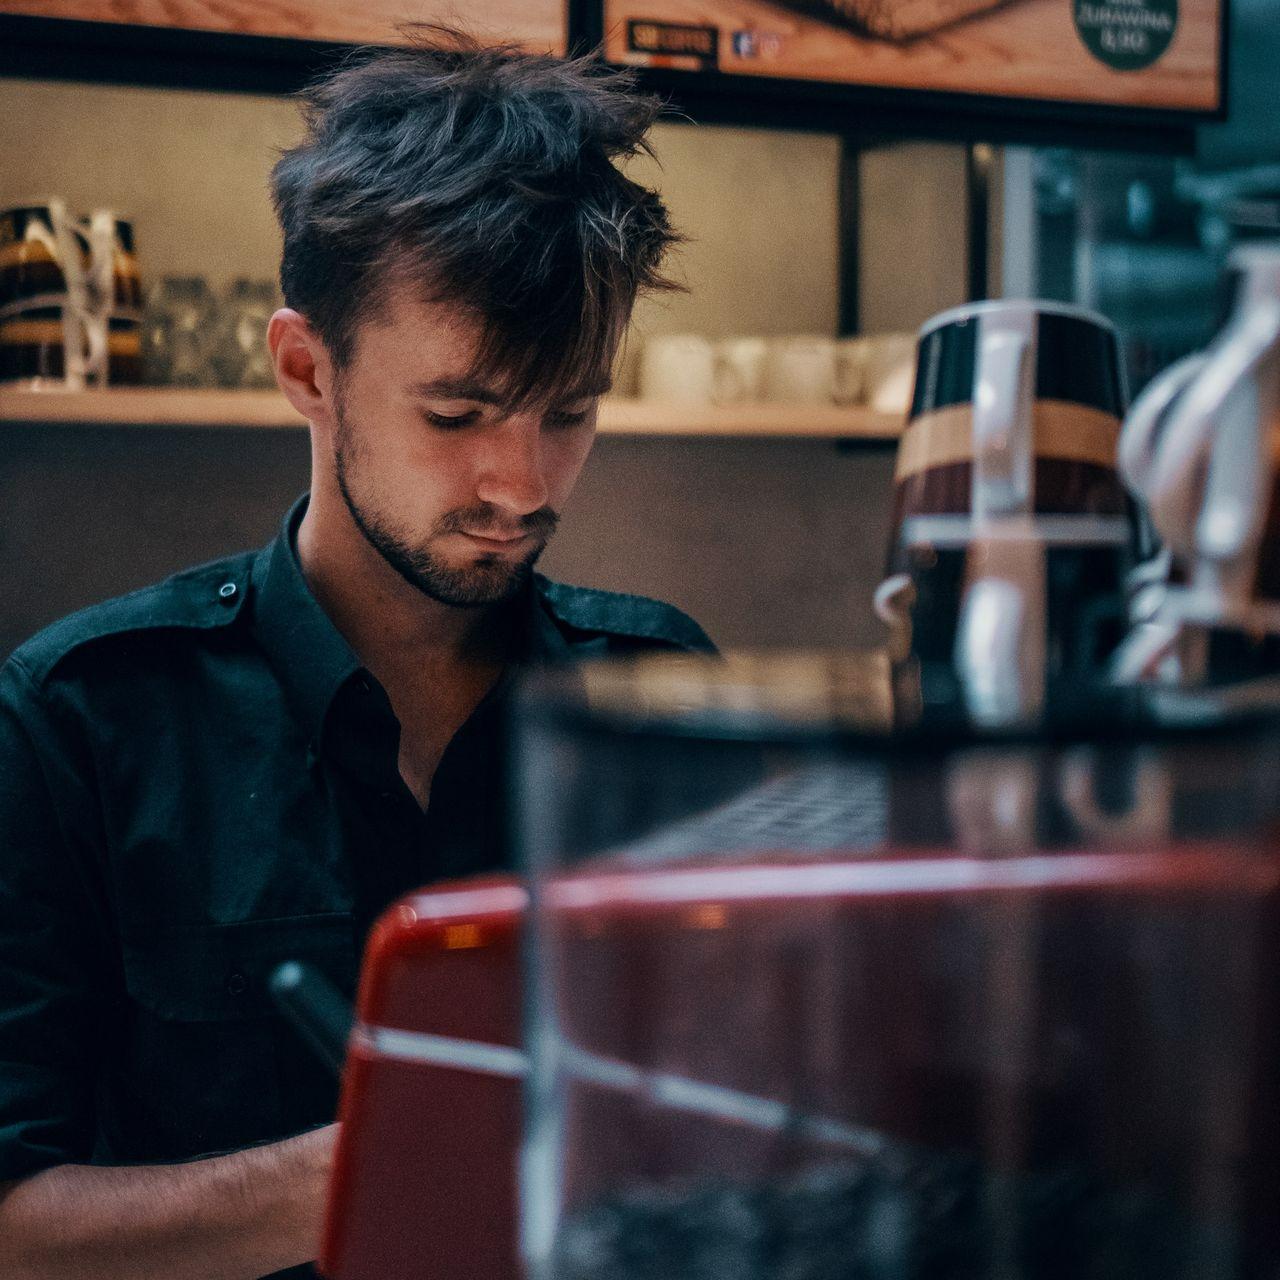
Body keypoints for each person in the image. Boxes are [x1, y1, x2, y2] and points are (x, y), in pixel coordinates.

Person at [0, 29, 714, 1280]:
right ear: (304, 369)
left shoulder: (661, 697)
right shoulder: (81, 719)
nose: (522, 480)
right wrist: (357, 1169)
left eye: (571, 409)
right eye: (457, 413)